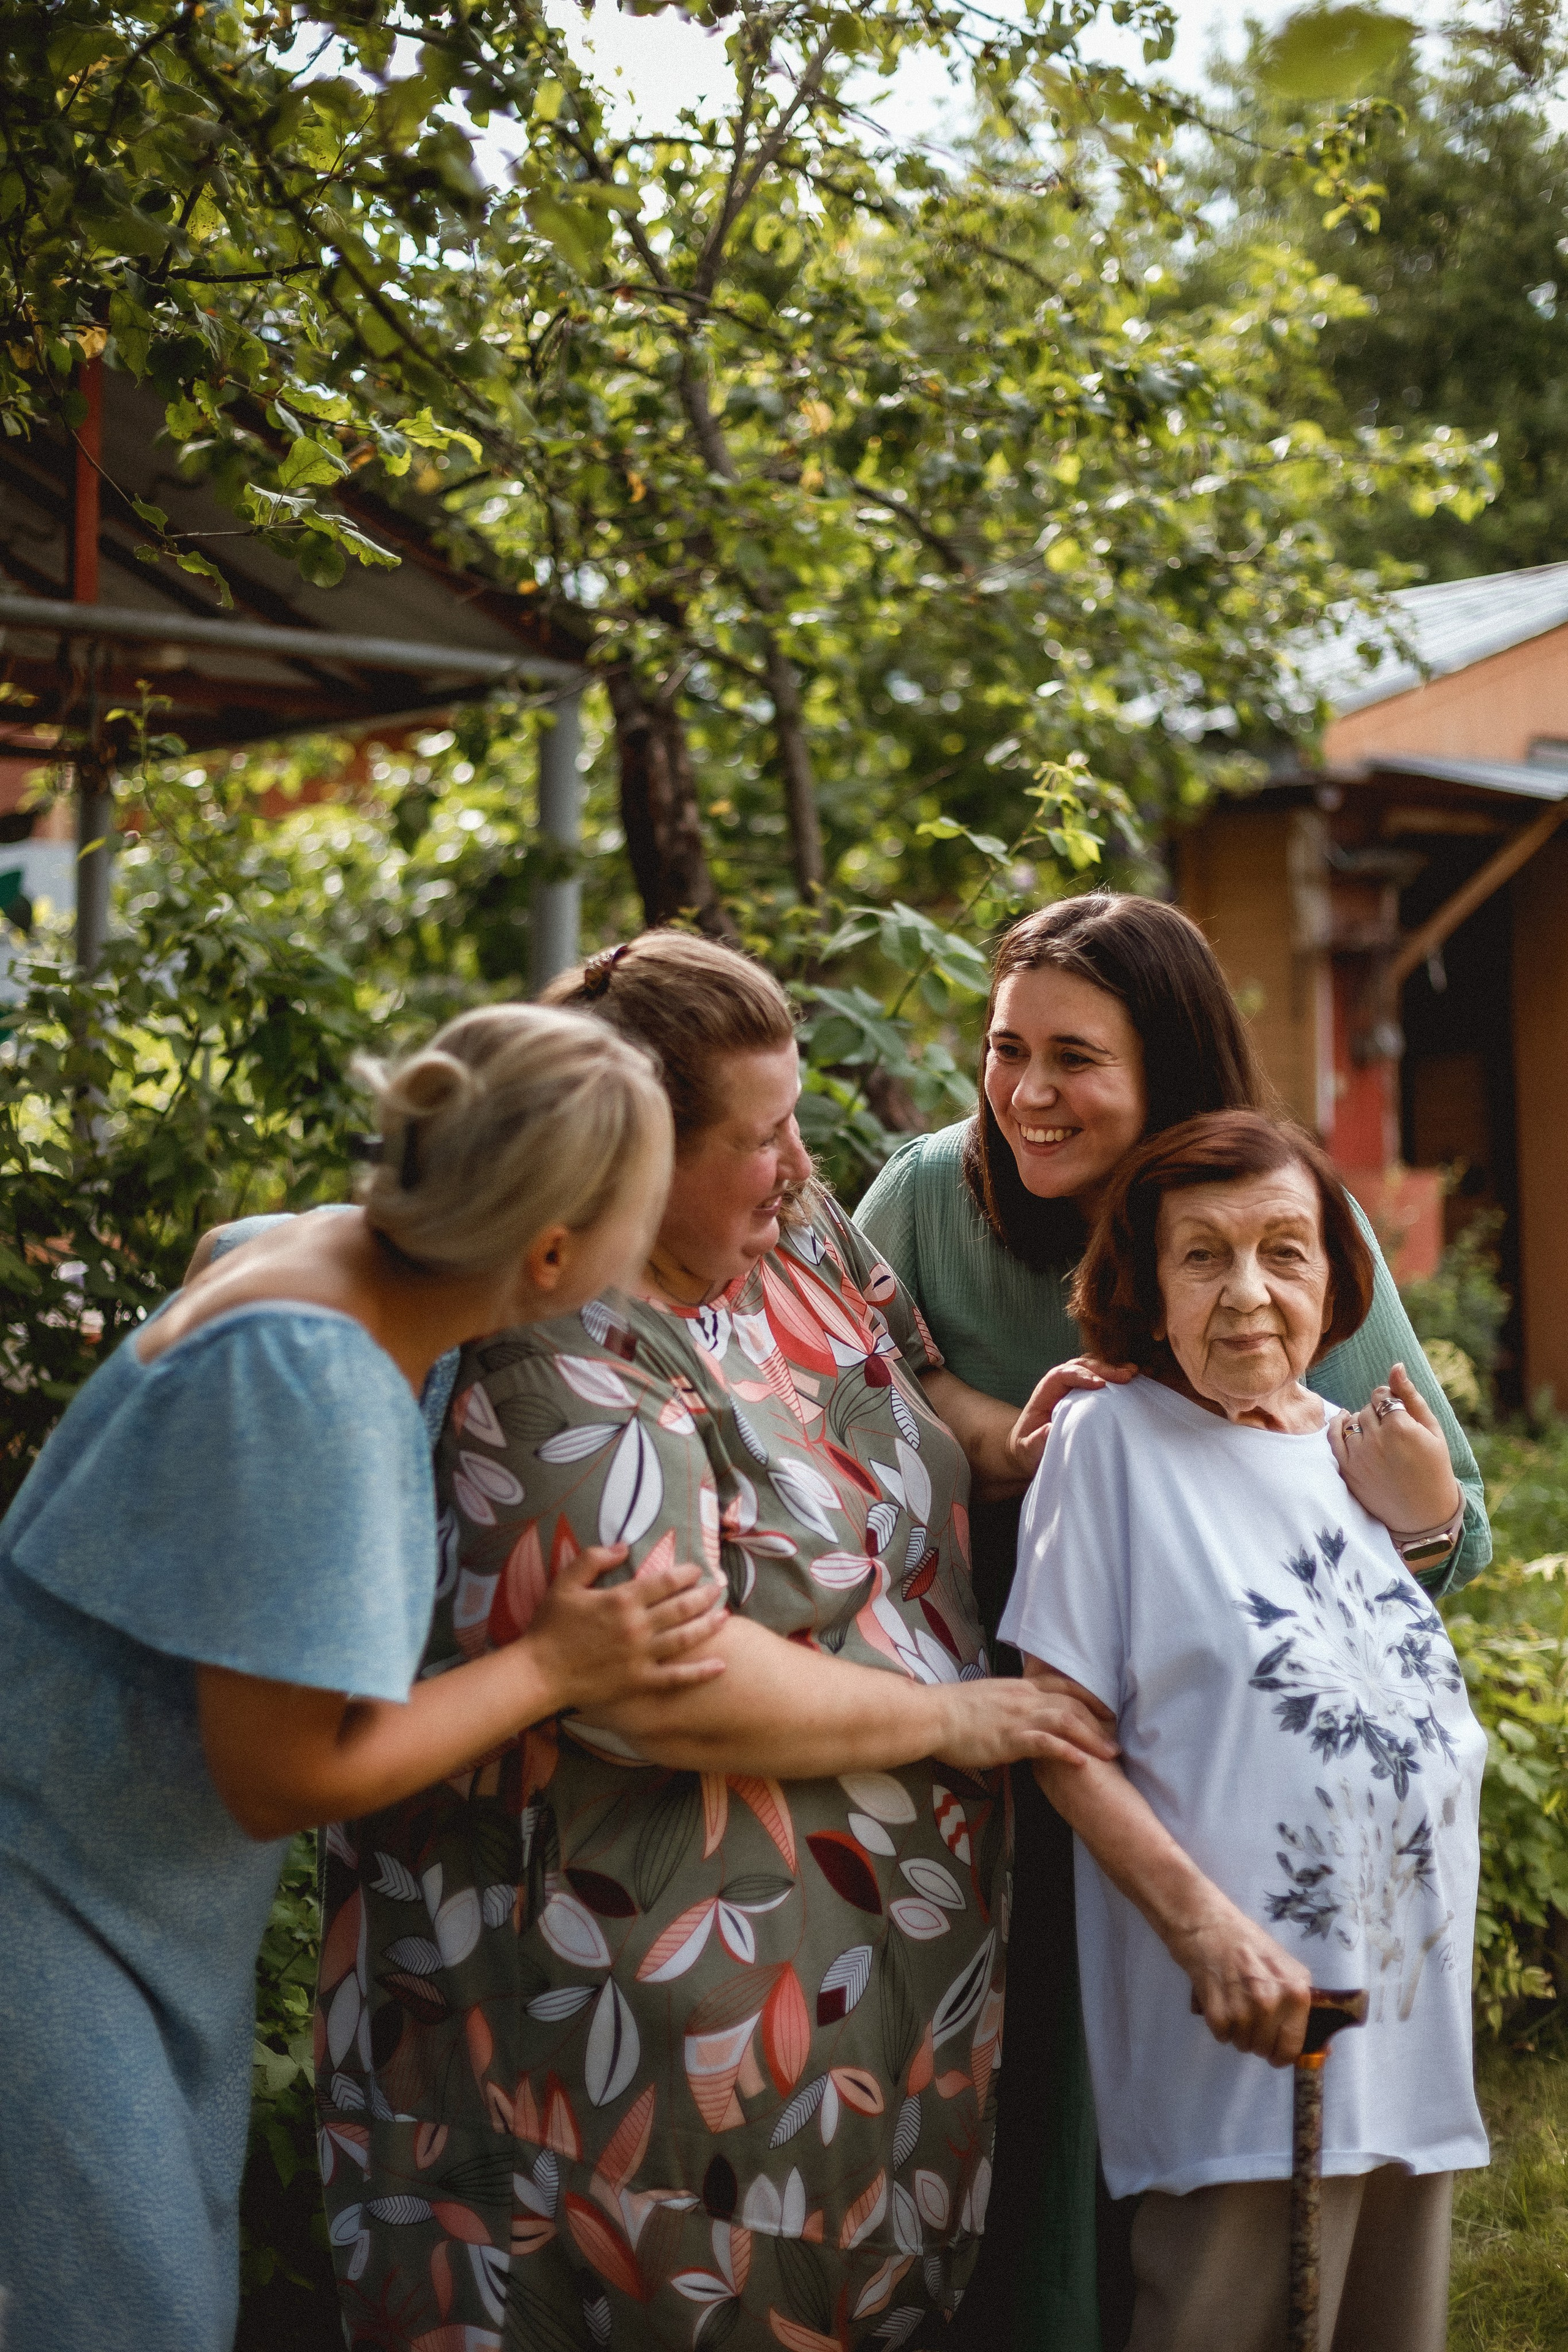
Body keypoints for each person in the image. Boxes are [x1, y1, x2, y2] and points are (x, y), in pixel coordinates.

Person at [318, 932, 1115, 2352]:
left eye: (793, 1117)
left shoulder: (790, 1230)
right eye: (756, 1137)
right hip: (643, 2039)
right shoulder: (558, 1336)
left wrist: (1026, 1438)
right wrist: (955, 1722)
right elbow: (662, 1694)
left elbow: (910, 1380)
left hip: (861, 2006)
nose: (800, 1164)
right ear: (626, 1150)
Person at [0, 1004, 734, 2352]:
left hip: (119, 1895)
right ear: (555, 1251)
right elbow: (285, 1777)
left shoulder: (332, 1255)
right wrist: (553, 1663)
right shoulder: (315, 1383)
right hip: (45, 1905)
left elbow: (225, 1257)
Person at [853, 891, 1489, 2350]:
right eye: (1005, 1050)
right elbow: (845, 1392)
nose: (1025, 1093)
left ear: (1168, 1068)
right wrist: (994, 1432)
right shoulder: (930, 1199)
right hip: (991, 1715)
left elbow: (1426, 1522)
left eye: (1074, 1057)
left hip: (1211, 1738)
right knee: (1048, 2105)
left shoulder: (1274, 1231)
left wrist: (1422, 1512)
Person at [1001, 1111, 1488, 2352]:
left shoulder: (1355, 1450)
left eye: (1283, 1250)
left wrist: (1421, 1518)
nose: (1246, 1292)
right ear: (1142, 1285)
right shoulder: (1105, 1444)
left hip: (1403, 2031)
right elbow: (1058, 1728)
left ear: (1333, 1279)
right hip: (1237, 2029)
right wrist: (1205, 1934)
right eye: (1201, 1257)